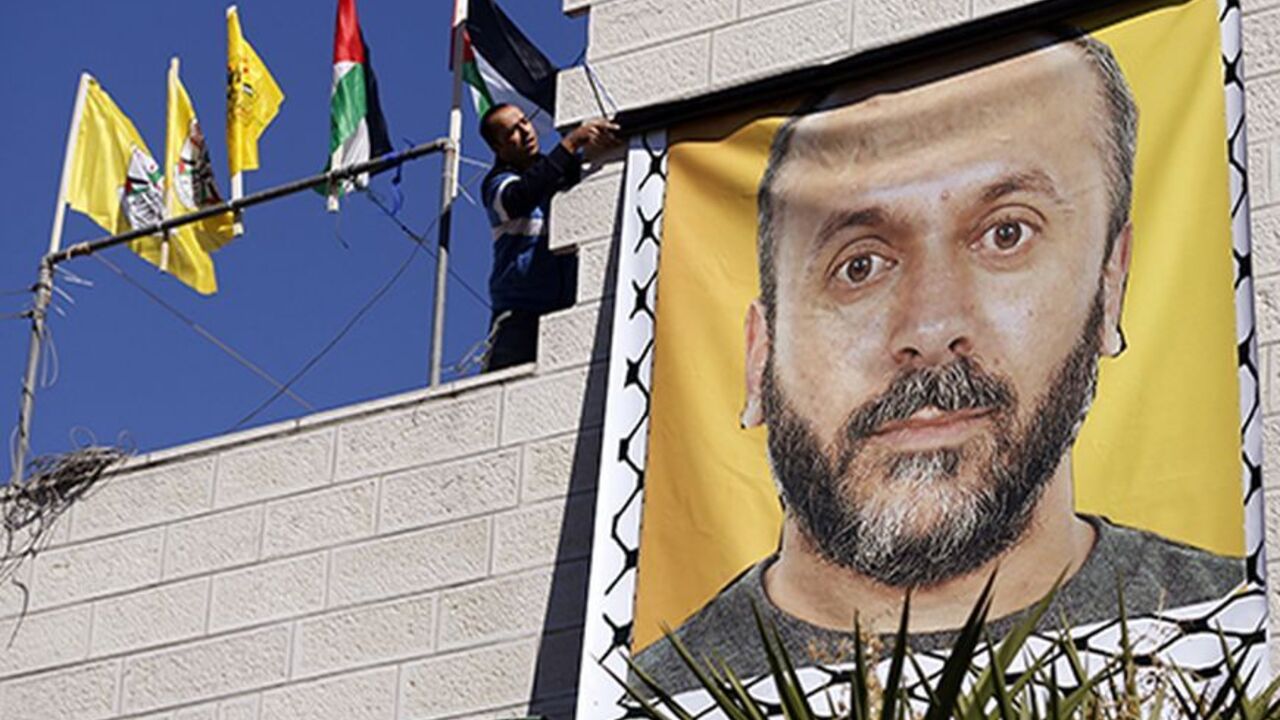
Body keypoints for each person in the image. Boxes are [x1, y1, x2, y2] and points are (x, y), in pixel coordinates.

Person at [633, 31, 1242, 694]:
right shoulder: (648, 700)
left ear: (1109, 286)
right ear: (760, 356)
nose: (929, 329)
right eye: (858, 265)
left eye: (1007, 234)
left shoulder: (1235, 630)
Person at [478, 104, 619, 371]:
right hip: (520, 314)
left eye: (524, 122)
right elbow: (520, 196)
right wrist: (572, 141)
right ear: (498, 148)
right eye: (512, 132)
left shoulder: (557, 170)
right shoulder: (497, 184)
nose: (525, 131)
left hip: (564, 306)